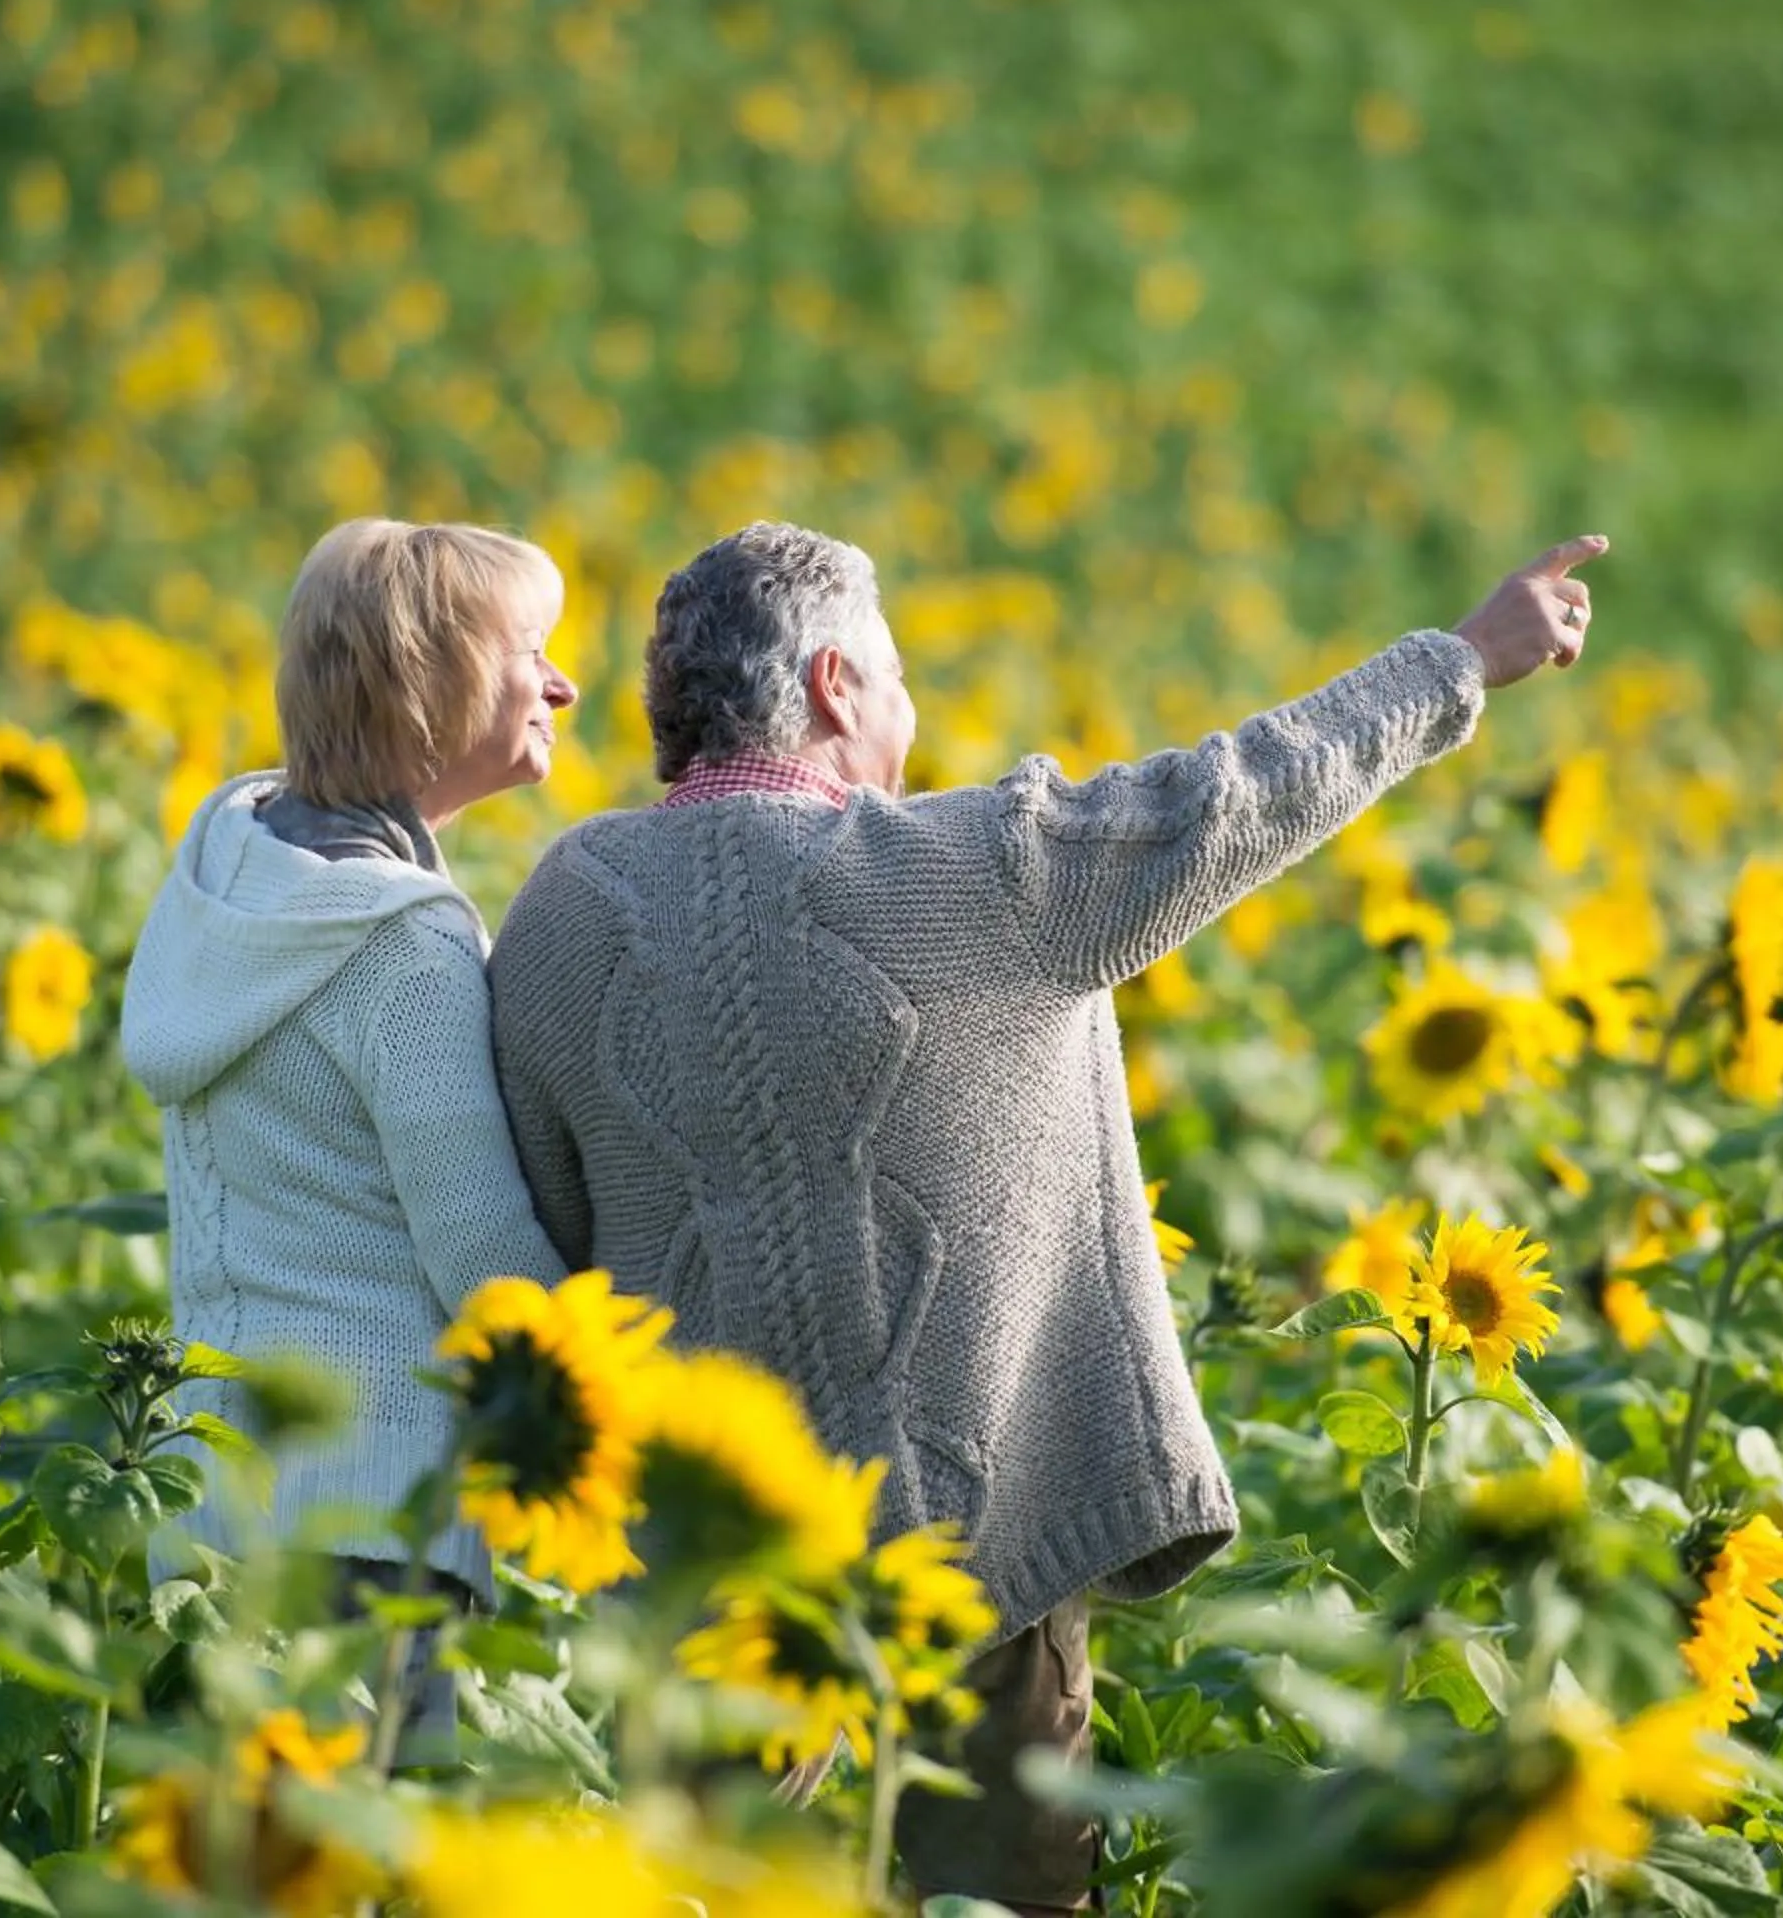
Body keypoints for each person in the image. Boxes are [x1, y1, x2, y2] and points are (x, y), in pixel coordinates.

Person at [485, 519, 1602, 1910]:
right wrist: (1464, 662)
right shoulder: (986, 874)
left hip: (709, 1579)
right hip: (981, 1541)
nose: (908, 713)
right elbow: (1241, 792)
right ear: (835, 686)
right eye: (892, 680)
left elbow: (538, 1227)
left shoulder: (554, 921)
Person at [120, 517, 580, 1747]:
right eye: (527, 648)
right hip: (374, 1518)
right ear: (425, 683)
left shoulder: (225, 866)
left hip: (213, 1502)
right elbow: (483, 1257)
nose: (562, 682)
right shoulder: (399, 943)